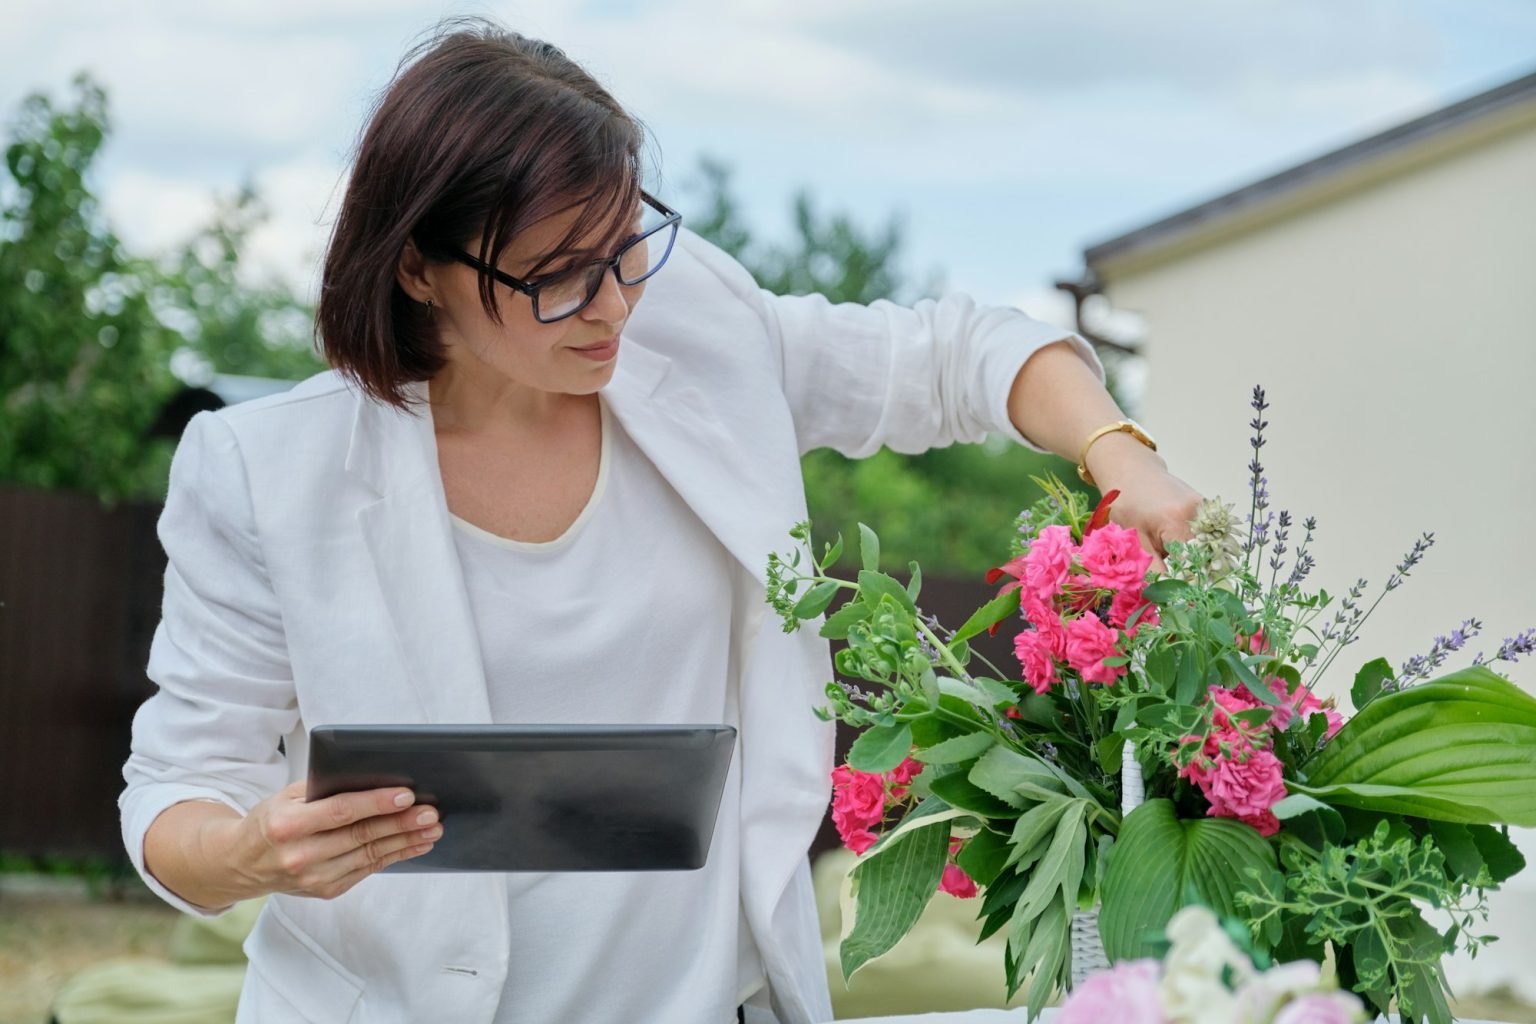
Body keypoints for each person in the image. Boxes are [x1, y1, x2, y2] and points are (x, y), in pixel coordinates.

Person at [120, 17, 1202, 1024]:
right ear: (416, 268)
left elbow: (961, 352)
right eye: (555, 276)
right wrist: (257, 850)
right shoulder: (266, 470)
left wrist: (1120, 454)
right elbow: (177, 793)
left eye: (626, 245)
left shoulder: (701, 335)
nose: (613, 305)